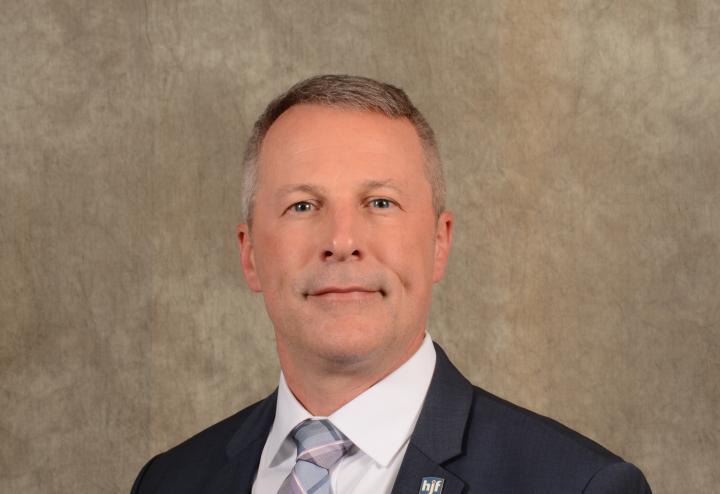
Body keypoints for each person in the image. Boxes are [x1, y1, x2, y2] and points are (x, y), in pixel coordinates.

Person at [131, 75, 652, 494]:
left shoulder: (576, 485)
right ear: (249, 254)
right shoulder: (170, 480)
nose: (341, 240)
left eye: (380, 202)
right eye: (302, 206)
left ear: (439, 244)